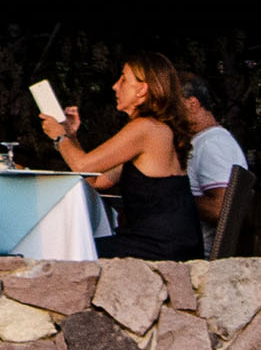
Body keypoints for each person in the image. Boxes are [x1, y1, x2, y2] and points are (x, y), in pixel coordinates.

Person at [48, 52, 206, 261]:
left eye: (124, 79)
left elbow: (81, 164)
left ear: (142, 89)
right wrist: (71, 136)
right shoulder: (157, 129)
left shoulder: (146, 129)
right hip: (168, 243)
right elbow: (96, 180)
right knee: (73, 249)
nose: (115, 86)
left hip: (158, 248)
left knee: (64, 251)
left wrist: (60, 137)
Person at [181, 75, 248, 238]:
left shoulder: (213, 144)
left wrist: (173, 197)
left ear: (192, 104)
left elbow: (221, 209)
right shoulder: (204, 141)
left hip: (192, 256)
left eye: (170, 105)